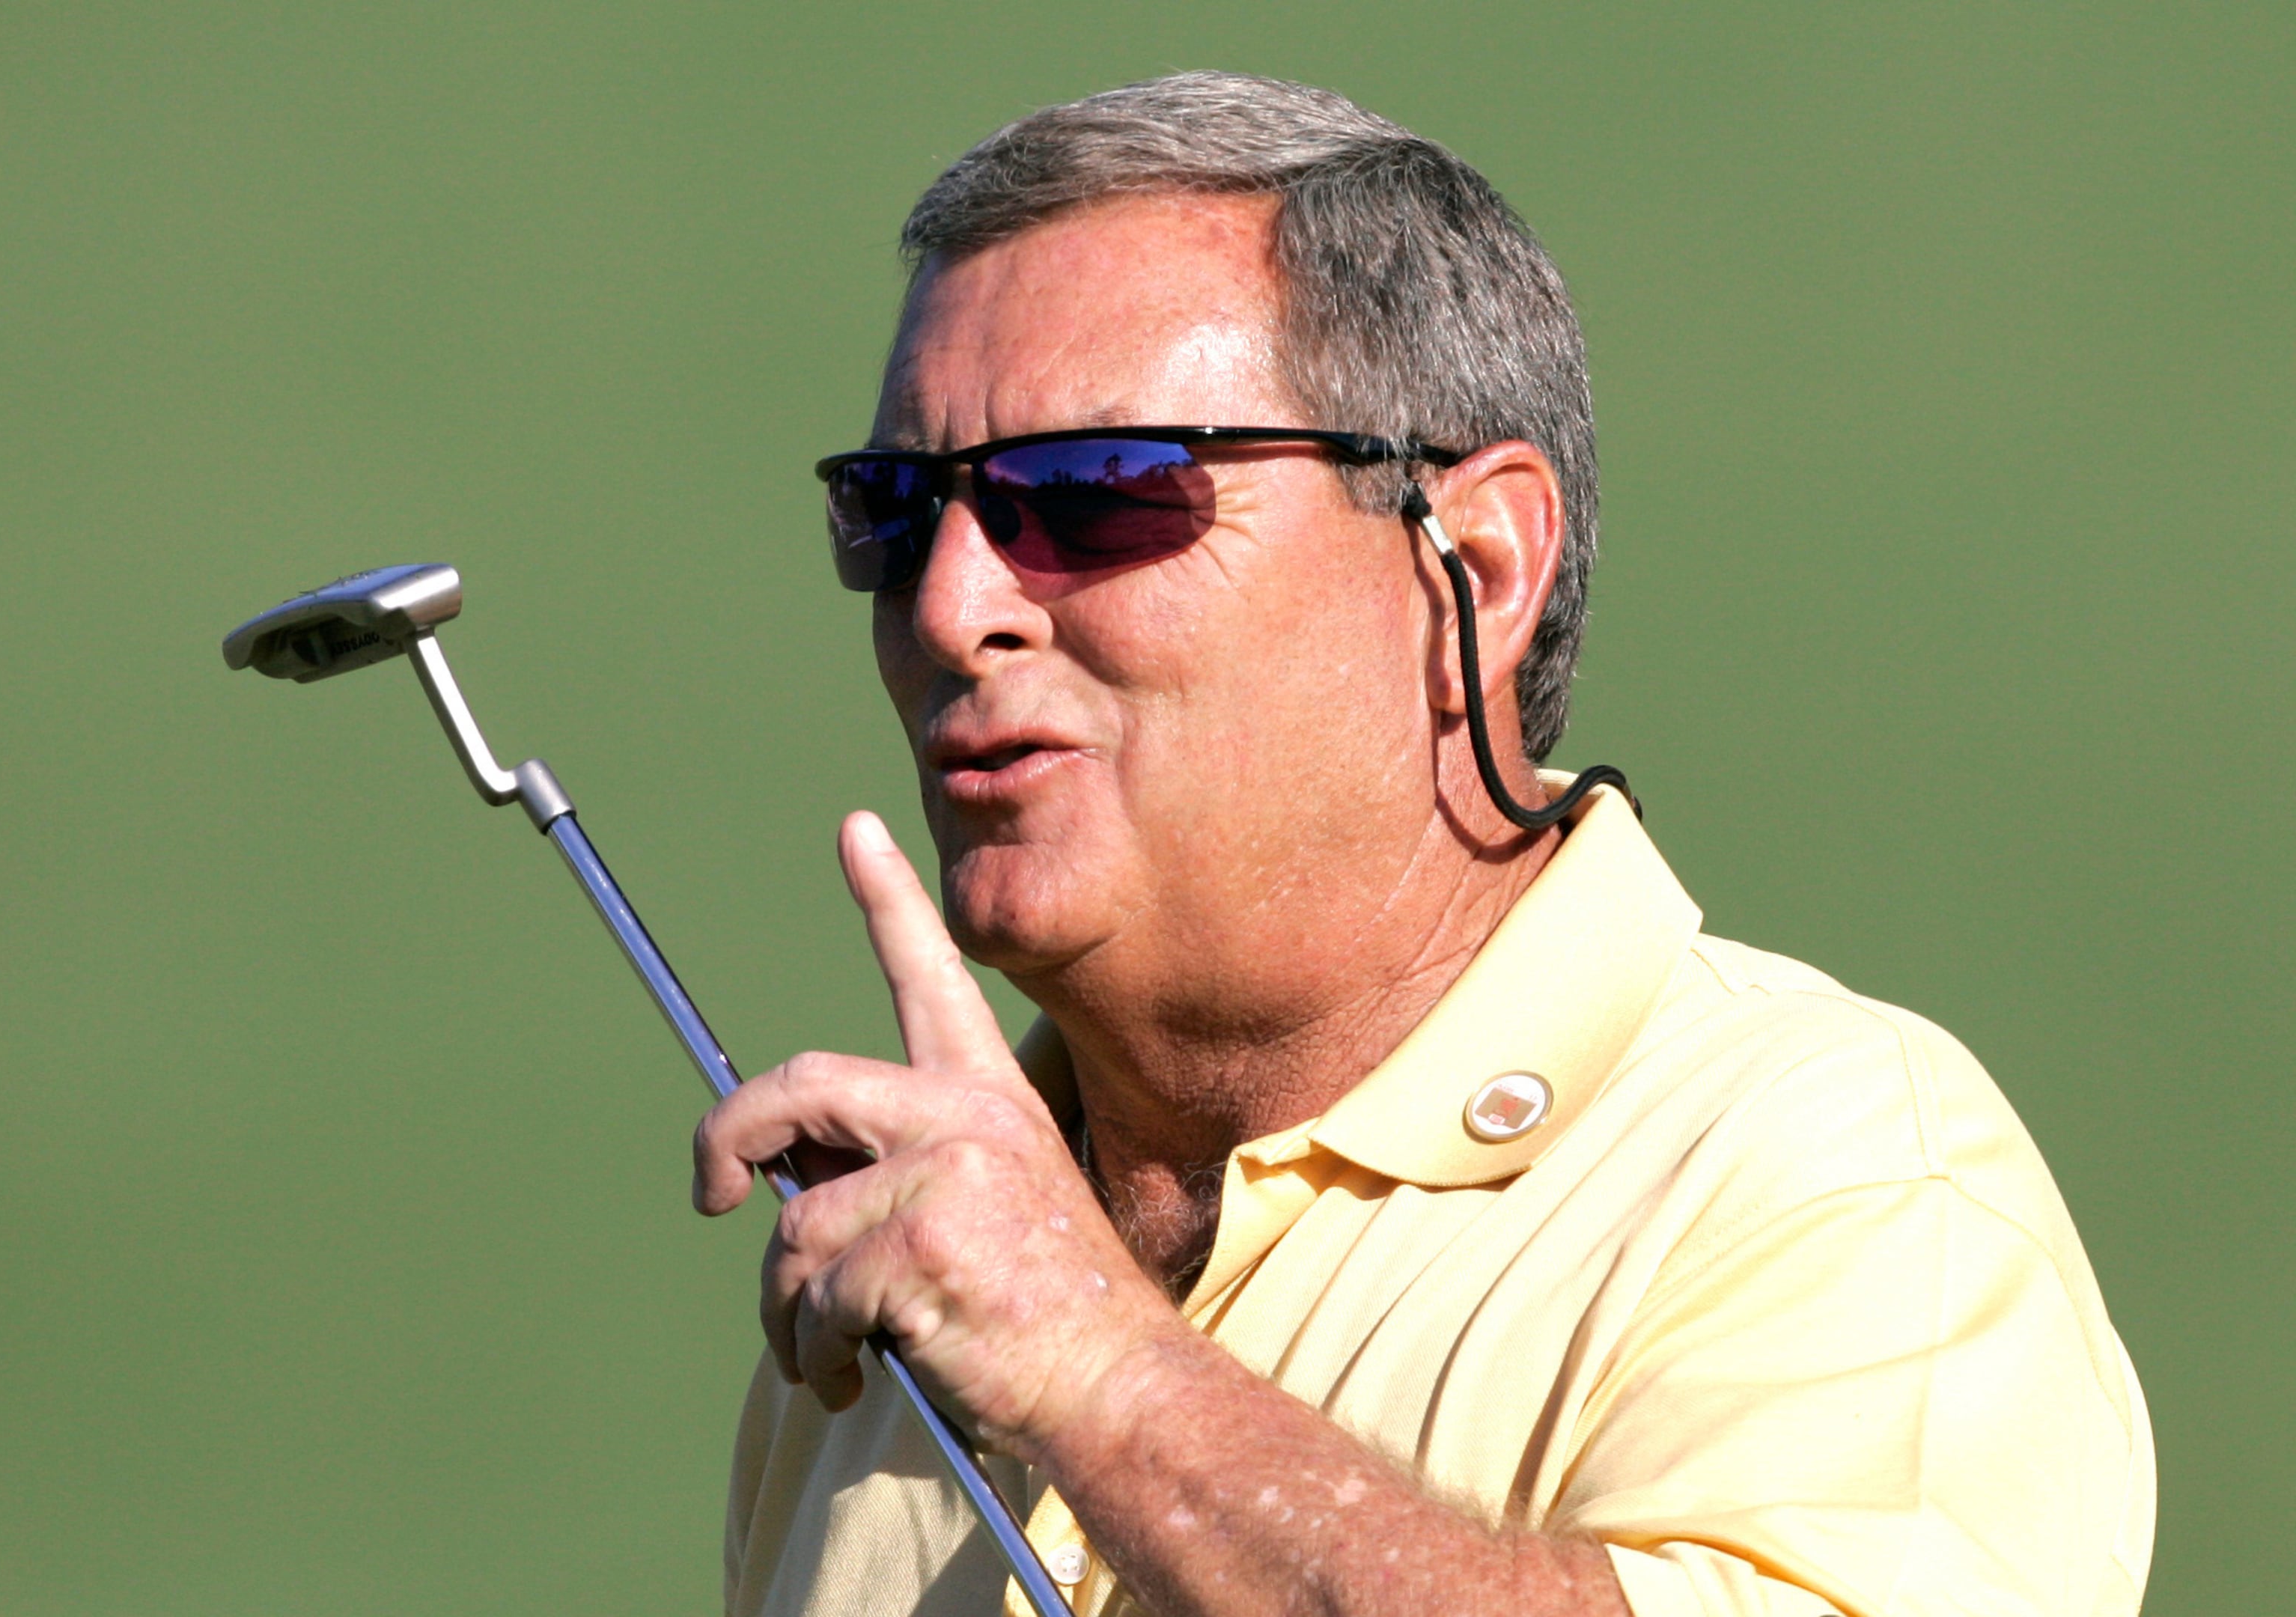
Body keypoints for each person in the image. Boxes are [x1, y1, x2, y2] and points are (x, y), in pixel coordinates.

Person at [697, 72, 2154, 1617]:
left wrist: (1096, 1372)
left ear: (1479, 562)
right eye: (895, 509)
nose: (949, 605)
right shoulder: (910, 1277)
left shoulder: (1839, 1176)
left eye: (1093, 491)